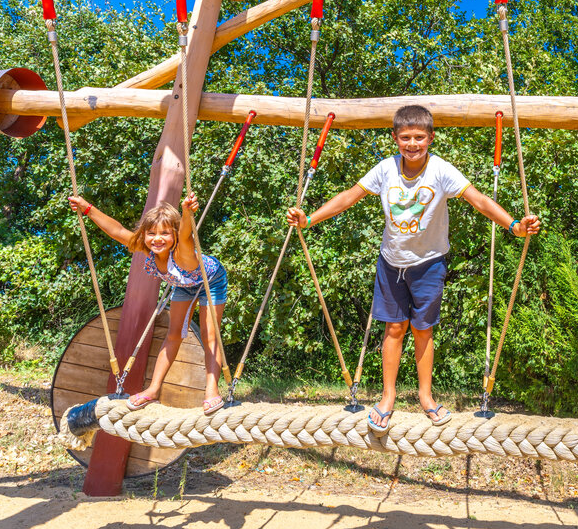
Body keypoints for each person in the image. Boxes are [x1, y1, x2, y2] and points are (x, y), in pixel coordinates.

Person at [286, 105, 540, 433]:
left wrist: (514, 225)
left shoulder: (441, 171)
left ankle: (426, 396)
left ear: (431, 138)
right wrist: (310, 219)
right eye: (405, 137)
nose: (412, 143)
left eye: (419, 137)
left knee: (423, 330)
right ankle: (388, 396)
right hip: (392, 262)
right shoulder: (385, 169)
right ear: (395, 138)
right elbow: (348, 197)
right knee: (393, 329)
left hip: (429, 263)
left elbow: (479, 200)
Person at [68, 192, 229, 414]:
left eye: (165, 233)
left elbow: (184, 233)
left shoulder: (181, 251)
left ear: (173, 235)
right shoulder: (148, 250)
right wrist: (87, 208)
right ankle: (153, 389)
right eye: (151, 233)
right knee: (173, 335)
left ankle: (211, 391)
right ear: (144, 235)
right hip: (184, 285)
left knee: (209, 334)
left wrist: (185, 212)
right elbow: (117, 231)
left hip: (211, 281)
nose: (157, 238)